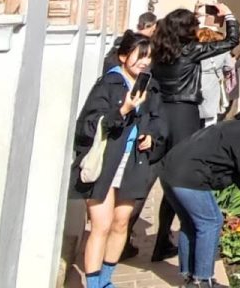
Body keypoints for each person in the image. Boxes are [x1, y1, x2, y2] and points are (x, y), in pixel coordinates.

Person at [71, 32, 167, 288]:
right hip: (106, 160)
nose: (145, 62)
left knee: (121, 222)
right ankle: (92, 284)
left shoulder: (150, 86)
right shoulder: (109, 84)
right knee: (101, 225)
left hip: (133, 160)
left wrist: (150, 135)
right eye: (139, 56)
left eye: (148, 57)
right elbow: (87, 126)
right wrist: (122, 110)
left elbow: (158, 119)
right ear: (124, 56)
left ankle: (105, 279)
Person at [160, 104, 240, 288]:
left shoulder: (239, 125)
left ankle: (191, 276)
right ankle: (202, 281)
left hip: (170, 170)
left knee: (191, 222)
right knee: (211, 221)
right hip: (189, 176)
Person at [147, 5, 240, 261]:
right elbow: (232, 40)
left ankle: (161, 239)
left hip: (161, 113)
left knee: (163, 178)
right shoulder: (190, 51)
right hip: (184, 114)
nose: (197, 29)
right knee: (181, 177)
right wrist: (228, 15)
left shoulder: (158, 51)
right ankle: (188, 235)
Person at [197, 24, 231, 127]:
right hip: (213, 83)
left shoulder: (195, 50)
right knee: (211, 118)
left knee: (195, 113)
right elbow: (229, 66)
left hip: (197, 80)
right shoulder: (222, 51)